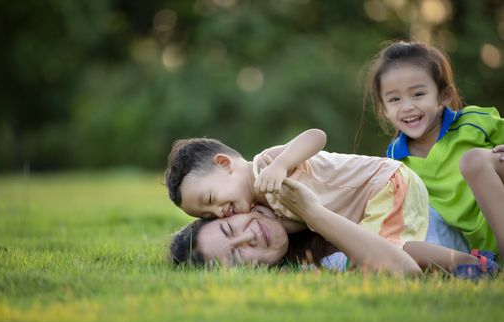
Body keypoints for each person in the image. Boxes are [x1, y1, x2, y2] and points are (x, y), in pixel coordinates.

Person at [170, 178, 499, 279]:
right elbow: (406, 270)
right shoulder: (322, 265)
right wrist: (313, 214)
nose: (249, 236)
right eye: (239, 254)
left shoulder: (301, 183)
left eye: (232, 230)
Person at [165, 128, 430, 248]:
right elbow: (306, 222)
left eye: (210, 198)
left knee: (382, 253)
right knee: (388, 248)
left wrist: (282, 164)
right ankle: (463, 262)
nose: (219, 212)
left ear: (224, 164)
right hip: (368, 206)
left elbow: (317, 136)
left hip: (384, 183)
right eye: (209, 215)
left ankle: (463, 263)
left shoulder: (266, 165)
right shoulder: (264, 207)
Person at [363, 40, 504, 256]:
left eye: (418, 94)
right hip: (468, 249)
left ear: (443, 96)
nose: (407, 106)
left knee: (473, 160)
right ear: (384, 110)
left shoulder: (474, 123)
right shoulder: (396, 163)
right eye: (395, 99)